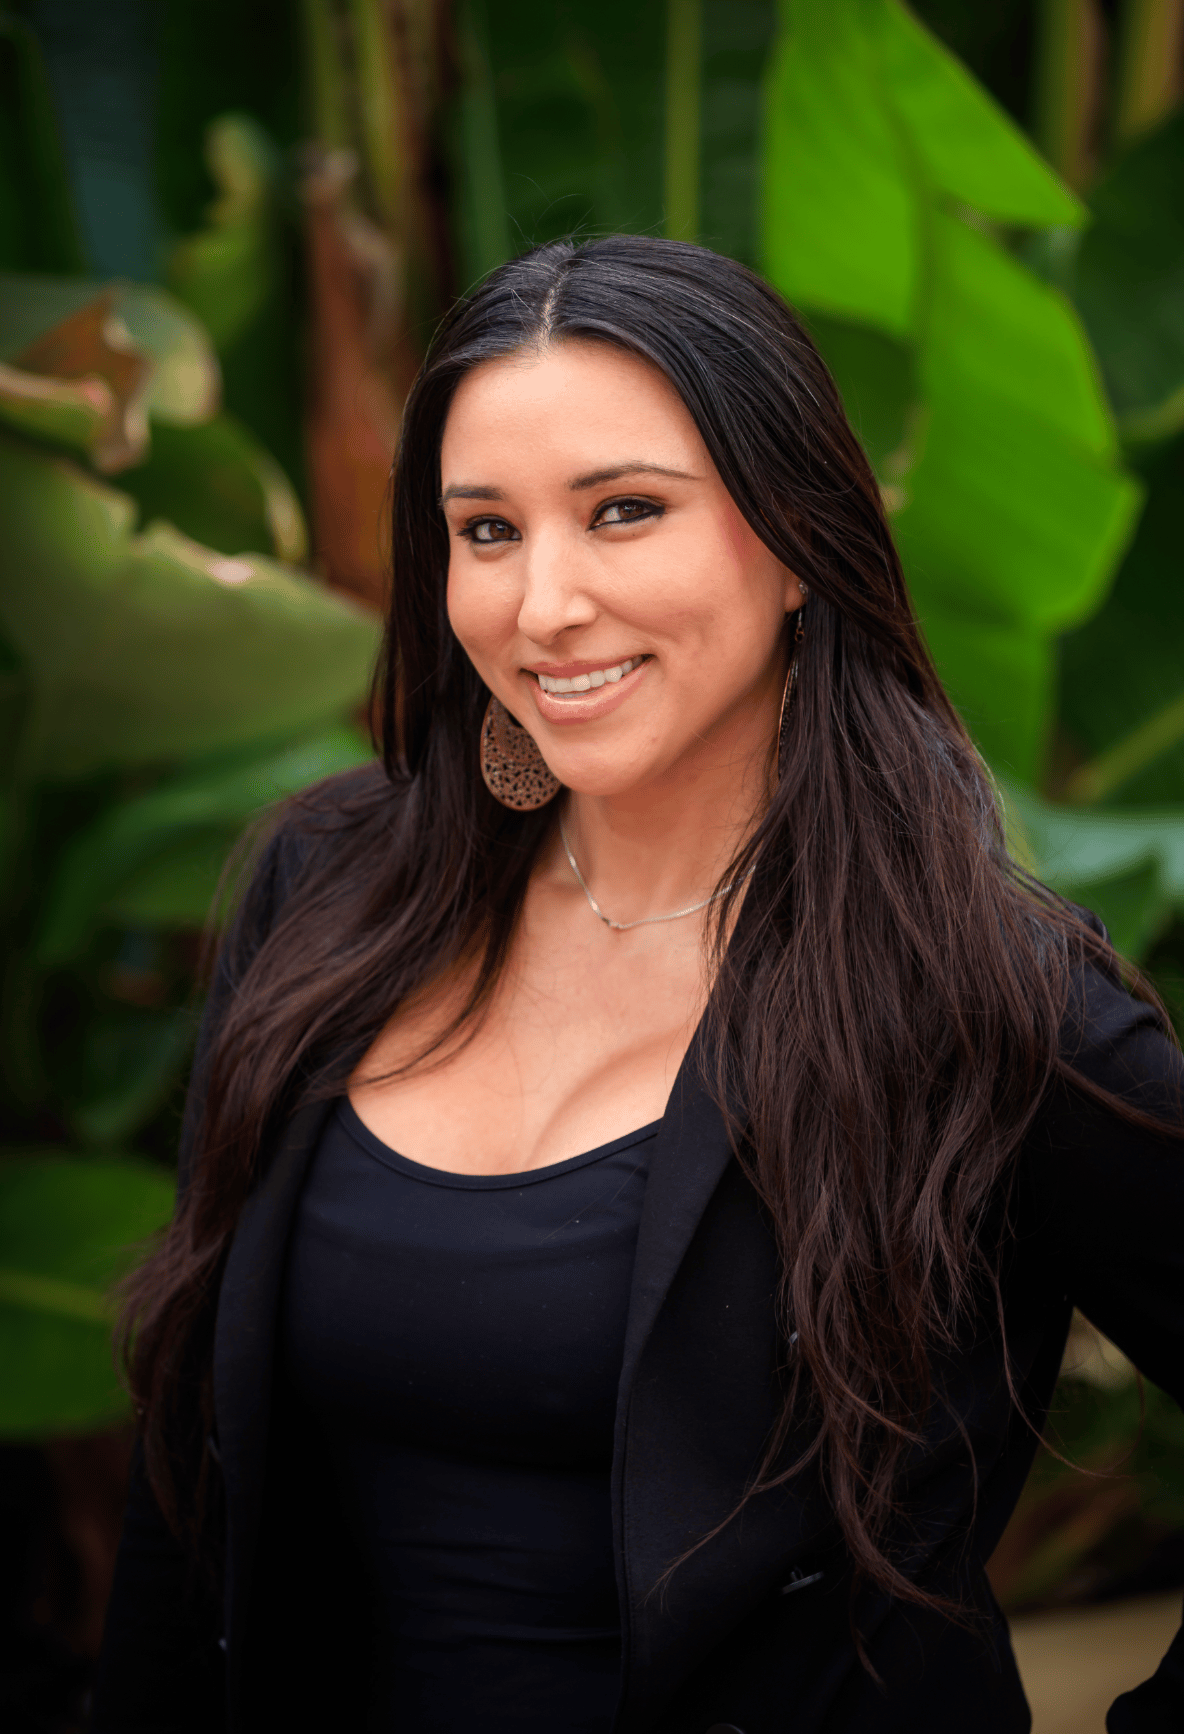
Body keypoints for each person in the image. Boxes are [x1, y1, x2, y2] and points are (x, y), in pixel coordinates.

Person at [92, 236, 1184, 1734]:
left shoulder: (982, 992)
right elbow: (193, 1473)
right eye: (486, 530)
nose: (544, 604)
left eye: (623, 512)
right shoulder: (328, 894)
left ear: (798, 538)